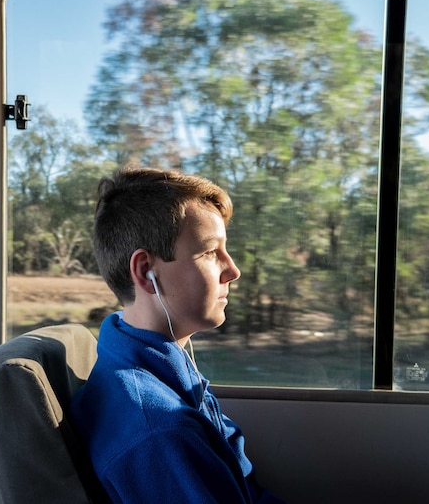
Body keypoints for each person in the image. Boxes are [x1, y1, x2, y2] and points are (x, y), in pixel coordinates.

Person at [71, 166, 284, 504]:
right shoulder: (159, 430)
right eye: (210, 252)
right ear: (145, 271)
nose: (233, 270)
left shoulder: (167, 371)